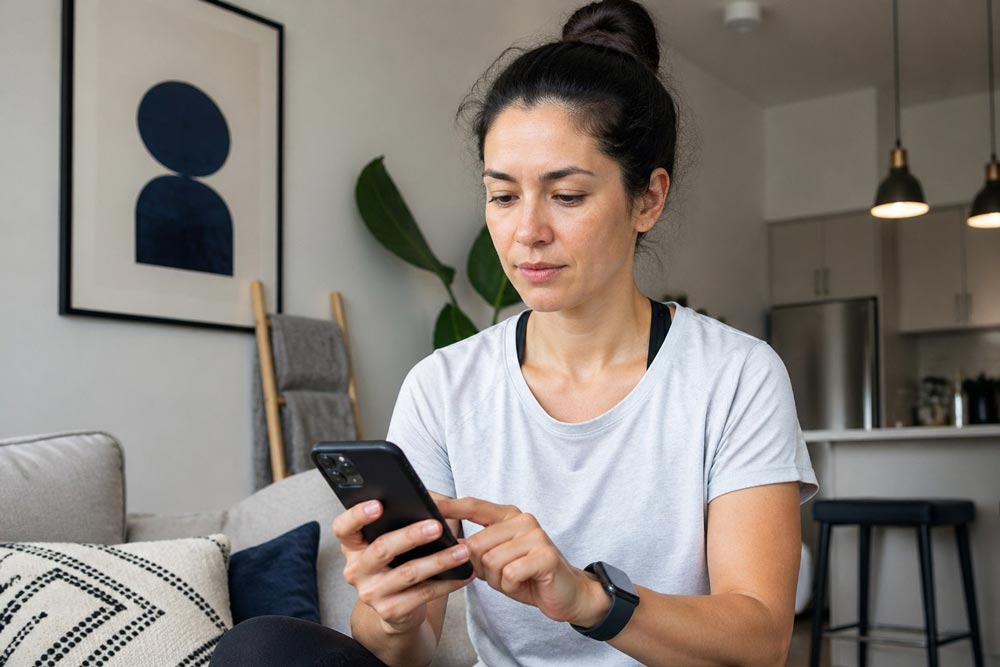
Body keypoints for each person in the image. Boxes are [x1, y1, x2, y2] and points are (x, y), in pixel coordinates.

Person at [210, 1, 818, 665]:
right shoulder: (443, 385)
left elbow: (761, 638)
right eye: (503, 195)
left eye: (568, 194)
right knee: (262, 646)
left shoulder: (734, 375)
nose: (526, 231)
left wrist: (590, 599)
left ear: (648, 198)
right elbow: (407, 653)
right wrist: (390, 611)